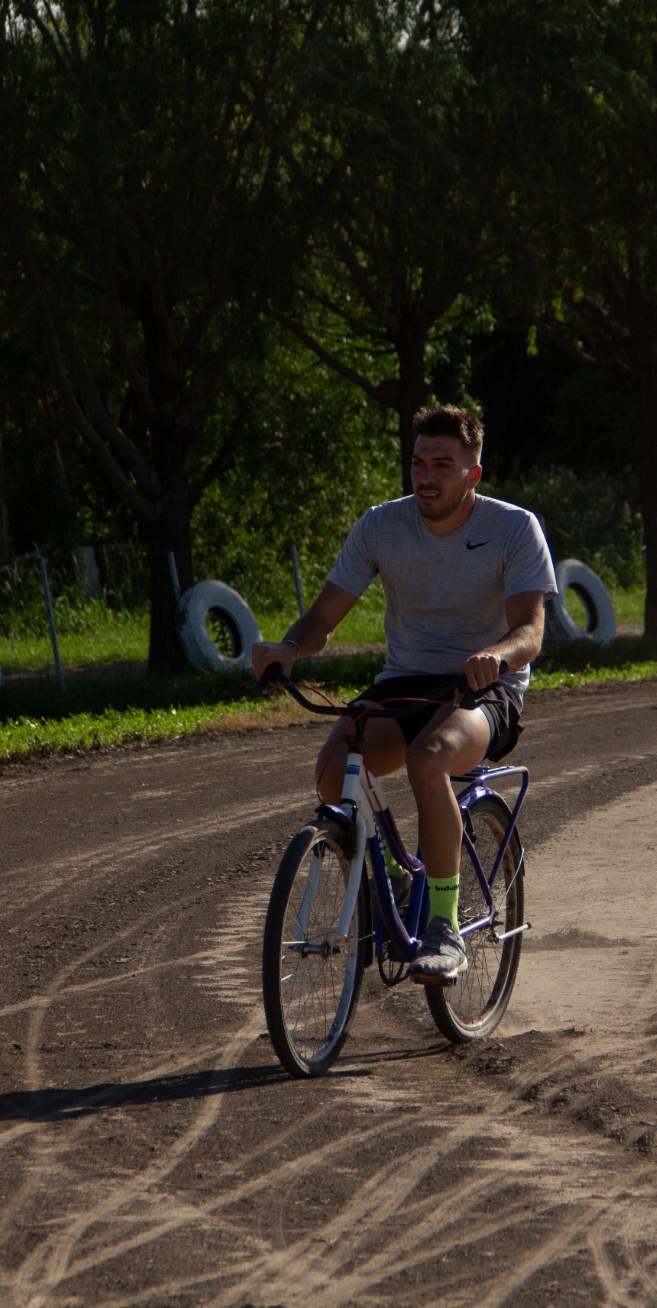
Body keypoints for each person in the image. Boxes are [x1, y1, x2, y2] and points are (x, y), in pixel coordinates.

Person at [251, 405, 555, 982]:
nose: (426, 476)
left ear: (474, 474)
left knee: (429, 759)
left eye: (443, 464)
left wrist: (497, 655)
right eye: (418, 464)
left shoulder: (513, 528)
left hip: (484, 687)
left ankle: (442, 929)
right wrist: (289, 648)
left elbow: (531, 632)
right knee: (333, 769)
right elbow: (323, 617)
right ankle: (390, 876)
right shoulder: (381, 526)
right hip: (405, 683)